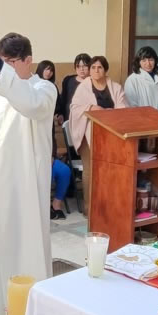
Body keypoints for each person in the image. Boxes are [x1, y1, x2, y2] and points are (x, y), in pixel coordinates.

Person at [0, 33, 58, 315]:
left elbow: (29, 104)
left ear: (28, 60)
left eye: (9, 62)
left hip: (27, 186)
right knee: (0, 251)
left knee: (28, 249)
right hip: (0, 185)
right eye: (2, 62)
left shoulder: (43, 90)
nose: (3, 70)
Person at [69, 56, 127, 216]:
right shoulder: (83, 88)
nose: (96, 70)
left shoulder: (115, 87)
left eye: (99, 67)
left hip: (111, 134)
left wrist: (107, 113)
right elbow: (75, 108)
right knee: (90, 170)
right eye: (93, 67)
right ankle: (89, 207)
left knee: (111, 169)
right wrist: (91, 107)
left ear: (105, 70)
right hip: (88, 133)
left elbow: (123, 108)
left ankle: (108, 205)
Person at [35, 60, 71, 220]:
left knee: (64, 171)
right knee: (43, 174)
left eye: (51, 70)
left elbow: (51, 138)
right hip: (32, 159)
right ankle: (41, 207)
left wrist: (51, 155)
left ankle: (56, 204)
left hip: (48, 155)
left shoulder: (48, 119)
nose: (48, 72)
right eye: (46, 69)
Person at [124, 46, 158, 115]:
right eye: (144, 60)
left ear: (155, 61)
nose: (148, 63)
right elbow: (131, 105)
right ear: (139, 62)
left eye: (151, 60)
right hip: (143, 120)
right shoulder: (132, 80)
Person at [59, 53, 91, 122]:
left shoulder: (93, 82)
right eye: (78, 66)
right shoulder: (68, 80)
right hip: (69, 118)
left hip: (86, 119)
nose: (81, 69)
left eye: (85, 66)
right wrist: (60, 113)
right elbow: (63, 98)